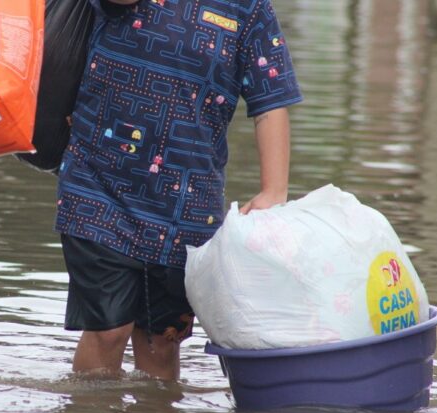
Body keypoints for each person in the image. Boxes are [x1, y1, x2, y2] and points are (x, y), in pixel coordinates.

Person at [55, 0, 303, 380]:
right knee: (108, 331)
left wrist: (274, 189)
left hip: (187, 205)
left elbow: (271, 101)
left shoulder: (249, 8)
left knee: (161, 343)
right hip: (98, 186)